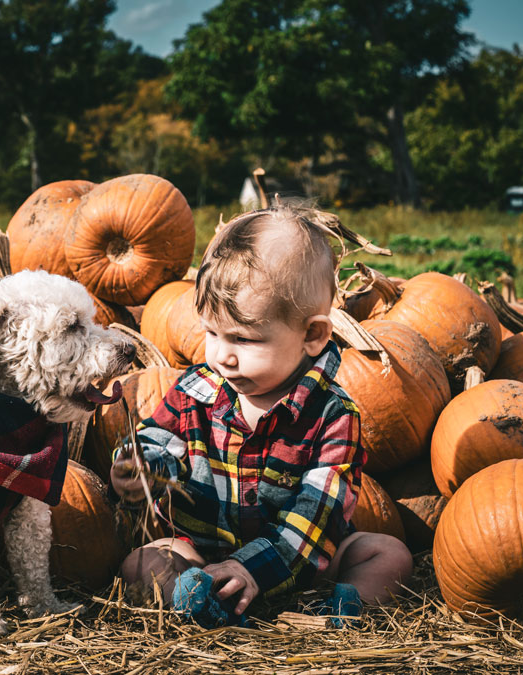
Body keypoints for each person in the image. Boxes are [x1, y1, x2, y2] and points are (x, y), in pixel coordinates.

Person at [109, 203, 413, 627]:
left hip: (301, 565)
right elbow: (160, 443)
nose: (221, 355)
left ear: (312, 335)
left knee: (388, 555)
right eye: (211, 332)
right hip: (204, 554)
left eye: (243, 339)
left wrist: (251, 568)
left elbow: (316, 518)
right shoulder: (197, 388)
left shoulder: (333, 415)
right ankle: (197, 599)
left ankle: (331, 613)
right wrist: (139, 467)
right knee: (142, 562)